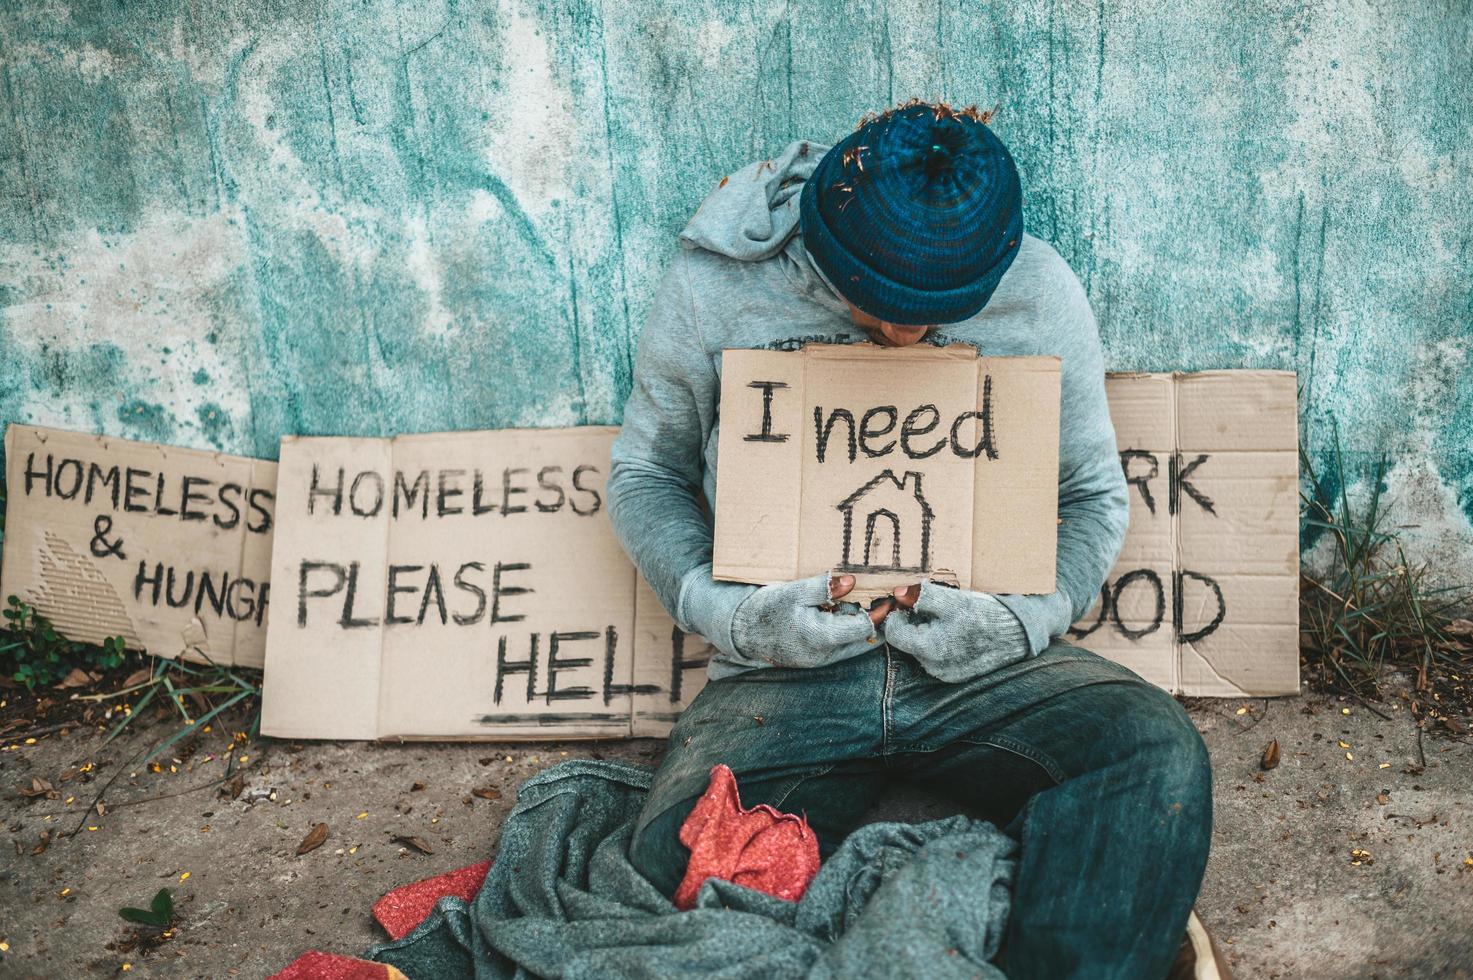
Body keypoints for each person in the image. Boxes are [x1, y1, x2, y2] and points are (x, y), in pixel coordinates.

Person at [607, 100, 1228, 980]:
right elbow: (644, 476)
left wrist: (1022, 622)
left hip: (988, 666)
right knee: (672, 865)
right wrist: (736, 618)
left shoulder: (1040, 289)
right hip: (782, 676)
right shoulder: (715, 287)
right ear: (824, 241)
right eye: (880, 305)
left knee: (1151, 752)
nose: (902, 334)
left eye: (939, 312)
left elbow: (1091, 496)